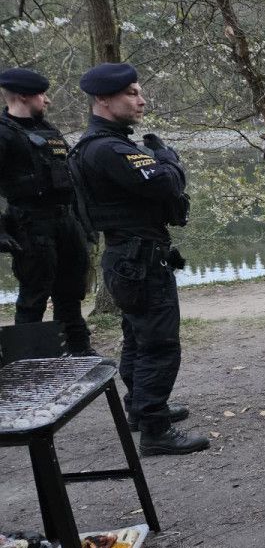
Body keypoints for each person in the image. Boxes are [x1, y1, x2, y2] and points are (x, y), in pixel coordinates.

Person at [70, 62, 208, 455]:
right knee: (159, 344)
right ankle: (155, 429)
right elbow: (166, 183)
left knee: (137, 336)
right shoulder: (109, 148)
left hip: (129, 255)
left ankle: (142, 408)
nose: (141, 100)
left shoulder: (102, 145)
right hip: (139, 258)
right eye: (132, 93)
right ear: (103, 99)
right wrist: (169, 158)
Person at [0, 67, 94, 356]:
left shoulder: (48, 130)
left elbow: (69, 174)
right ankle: (27, 359)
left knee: (70, 289)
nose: (47, 100)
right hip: (30, 223)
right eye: (42, 94)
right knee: (34, 293)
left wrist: (83, 221)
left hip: (65, 220)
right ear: (24, 96)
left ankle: (78, 350)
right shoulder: (3, 133)